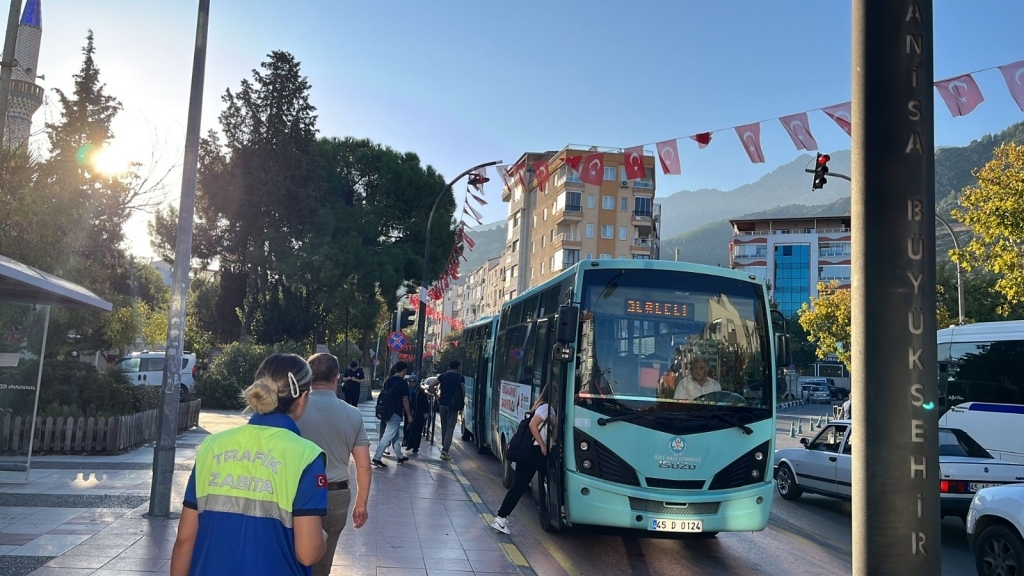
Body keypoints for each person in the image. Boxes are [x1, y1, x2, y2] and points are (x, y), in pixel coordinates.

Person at [171, 354, 328, 576]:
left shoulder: (212, 446)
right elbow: (308, 553)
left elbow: (185, 540)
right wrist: (322, 536)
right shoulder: (306, 457)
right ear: (302, 398)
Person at [298, 353, 372, 576]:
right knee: (321, 563)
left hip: (296, 493)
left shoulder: (293, 410)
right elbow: (364, 466)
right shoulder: (353, 414)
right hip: (335, 495)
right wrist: (361, 504)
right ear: (336, 378)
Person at [490, 385, 550, 535]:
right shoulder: (546, 408)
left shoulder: (543, 407)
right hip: (534, 452)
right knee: (519, 487)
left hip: (533, 452)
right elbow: (532, 425)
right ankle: (500, 518)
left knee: (537, 481)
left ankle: (502, 518)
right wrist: (542, 445)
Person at [372, 361, 413, 468]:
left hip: (386, 411)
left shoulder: (388, 380)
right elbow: (405, 401)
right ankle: (377, 457)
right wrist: (409, 415)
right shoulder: (403, 383)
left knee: (394, 436)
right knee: (388, 435)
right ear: (404, 370)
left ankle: (400, 456)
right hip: (395, 412)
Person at [435, 361, 466, 461]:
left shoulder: (442, 376)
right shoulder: (460, 378)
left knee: (444, 427)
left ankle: (444, 445)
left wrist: (436, 396)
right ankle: (445, 451)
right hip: (453, 406)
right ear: (458, 367)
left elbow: (431, 385)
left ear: (449, 366)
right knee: (450, 428)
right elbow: (463, 391)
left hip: (443, 404)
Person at [404, 375, 430, 453]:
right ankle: (409, 444)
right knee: (408, 429)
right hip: (408, 413)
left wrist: (426, 412)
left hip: (419, 413)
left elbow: (425, 402)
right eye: (410, 382)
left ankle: (415, 446)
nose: (412, 383)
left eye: (413, 382)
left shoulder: (421, 391)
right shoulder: (407, 390)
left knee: (417, 430)